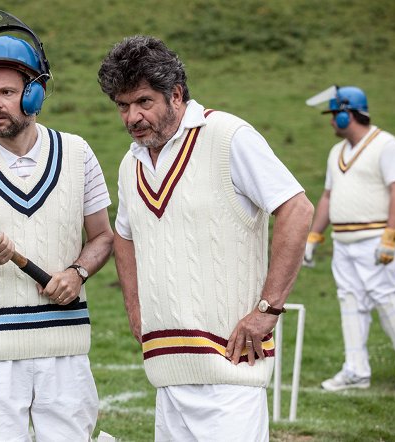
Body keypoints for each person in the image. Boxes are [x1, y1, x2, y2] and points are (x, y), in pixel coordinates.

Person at [97, 36, 313, 441]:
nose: (131, 117)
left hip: (231, 370)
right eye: (122, 106)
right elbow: (122, 236)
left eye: (144, 102)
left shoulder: (228, 135)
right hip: (166, 368)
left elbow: (297, 209)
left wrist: (267, 309)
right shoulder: (131, 161)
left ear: (176, 94)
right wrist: (134, 306)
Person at [0, 11, 114, 441]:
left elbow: (103, 236)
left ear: (35, 94)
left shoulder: (78, 153)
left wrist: (77, 272)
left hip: (64, 347)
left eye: (7, 92)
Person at [304, 85, 395, 393]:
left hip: (375, 237)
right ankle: (356, 369)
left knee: (385, 299)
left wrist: (390, 234)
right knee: (349, 301)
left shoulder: (386, 144)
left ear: (348, 114)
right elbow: (327, 196)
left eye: (335, 114)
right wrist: (314, 235)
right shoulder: (337, 152)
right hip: (344, 241)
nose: (331, 121)